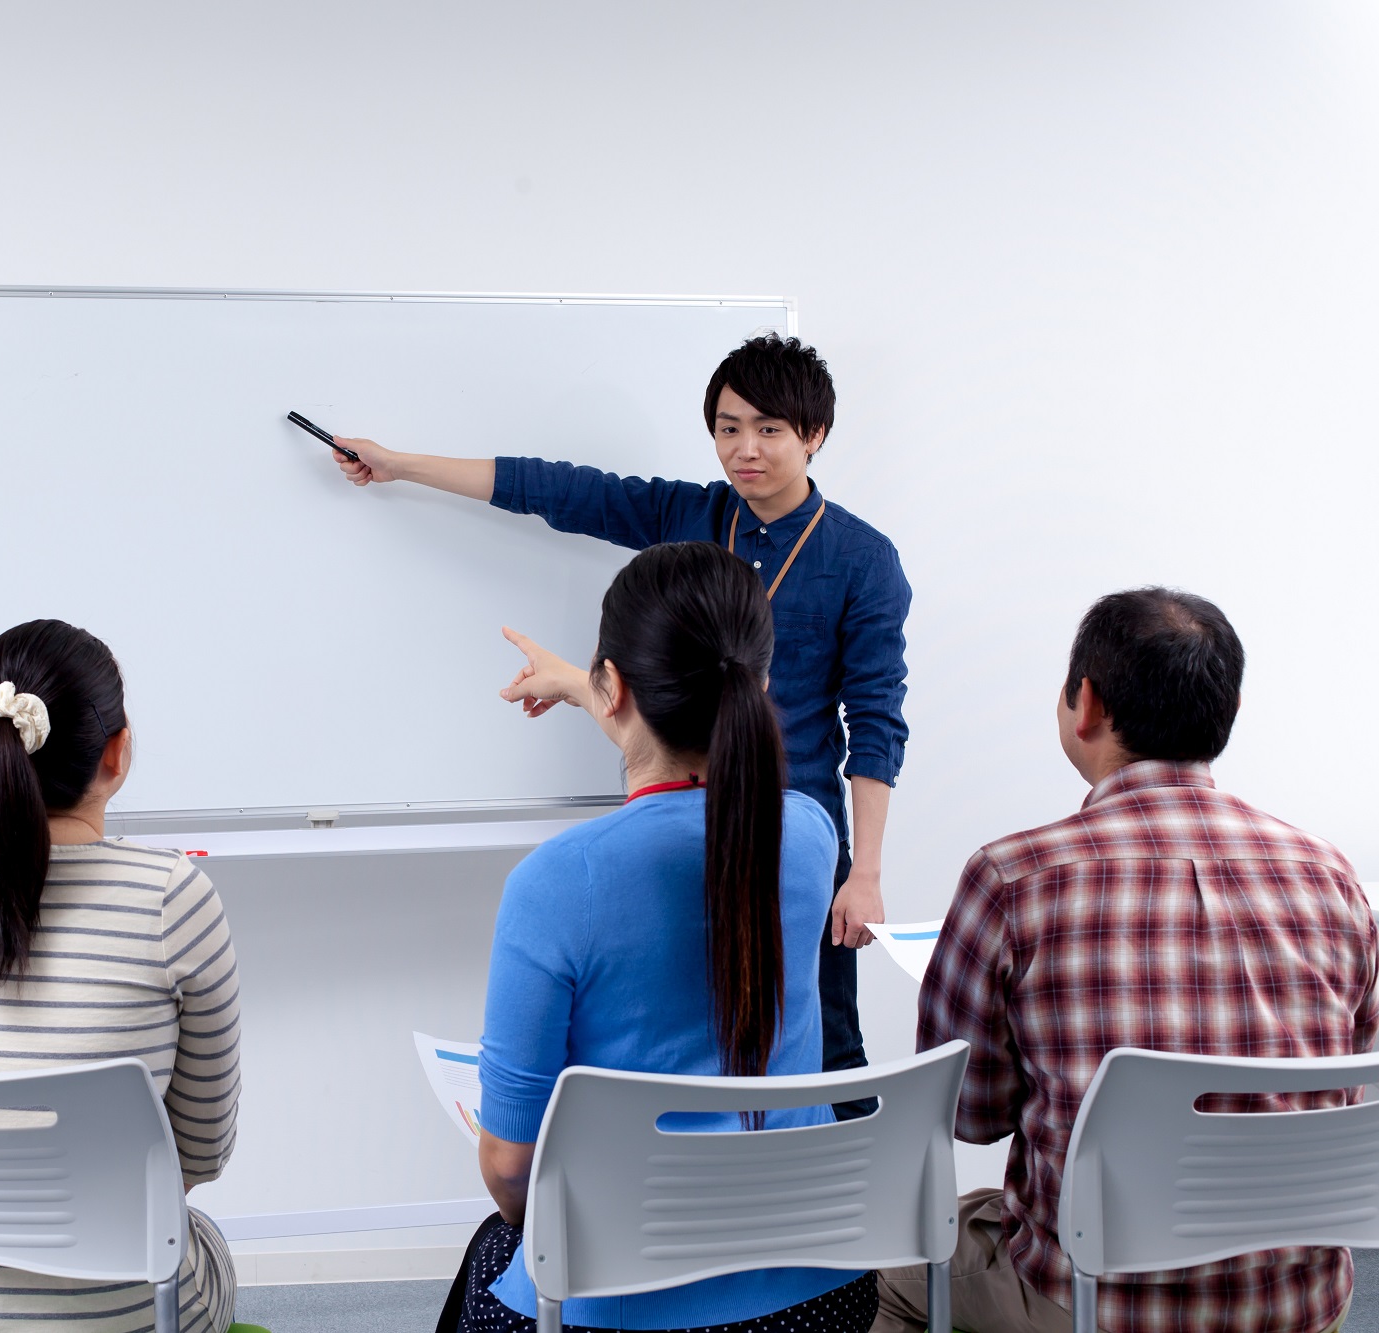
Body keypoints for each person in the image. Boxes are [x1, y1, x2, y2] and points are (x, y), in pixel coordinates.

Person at [333, 334, 908, 1119]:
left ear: (815, 435)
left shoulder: (864, 559)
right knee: (674, 1036)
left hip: (790, 840)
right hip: (674, 825)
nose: (743, 449)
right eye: (727, 426)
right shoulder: (695, 513)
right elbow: (564, 491)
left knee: (823, 1044)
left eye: (769, 429)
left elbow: (874, 721)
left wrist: (863, 871)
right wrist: (401, 464)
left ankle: (841, 1224)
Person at [873, 589, 1378, 1333]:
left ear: (1087, 704)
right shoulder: (1332, 875)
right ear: (1228, 710)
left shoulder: (1012, 876)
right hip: (1300, 1305)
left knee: (898, 1266)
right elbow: (1353, 1089)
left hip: (1093, 1304)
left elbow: (969, 1117)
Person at [447, 543, 876, 1333]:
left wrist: (597, 689)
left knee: (490, 1254)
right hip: (815, 1293)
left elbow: (512, 1173)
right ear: (762, 683)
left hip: (614, 1305)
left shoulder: (556, 882)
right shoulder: (811, 837)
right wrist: (591, 685)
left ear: (613, 687)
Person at [0, 620, 240, 1333]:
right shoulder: (172, 897)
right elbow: (201, 1151)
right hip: (122, 1308)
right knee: (209, 1244)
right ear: (117, 752)